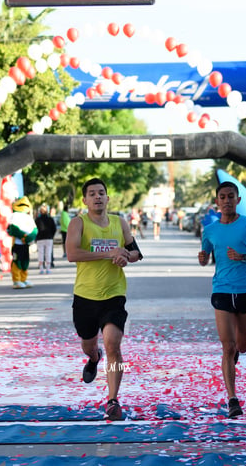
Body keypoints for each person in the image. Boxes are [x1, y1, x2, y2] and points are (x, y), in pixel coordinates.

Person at [66, 178, 143, 421]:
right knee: (90, 344)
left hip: (114, 294)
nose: (97, 197)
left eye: (101, 193)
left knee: (114, 345)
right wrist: (108, 252)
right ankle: (93, 357)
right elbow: (72, 253)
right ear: (85, 200)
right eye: (92, 194)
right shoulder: (78, 223)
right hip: (85, 296)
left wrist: (125, 256)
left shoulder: (120, 223)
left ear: (108, 198)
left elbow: (136, 253)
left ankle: (112, 400)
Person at [198, 181, 246, 419]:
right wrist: (202, 258)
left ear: (237, 200)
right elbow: (207, 256)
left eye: (231, 196)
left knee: (242, 346)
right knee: (227, 348)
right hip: (221, 290)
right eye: (223, 196)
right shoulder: (210, 230)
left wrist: (244, 256)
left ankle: (237, 353)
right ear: (217, 202)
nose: (227, 200)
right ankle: (232, 399)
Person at [35, 205, 57, 274]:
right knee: (48, 253)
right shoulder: (50, 219)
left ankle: (41, 268)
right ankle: (48, 268)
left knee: (40, 253)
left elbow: (35, 229)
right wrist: (51, 235)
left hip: (40, 238)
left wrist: (36, 237)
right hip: (49, 238)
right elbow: (54, 228)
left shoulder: (37, 220)